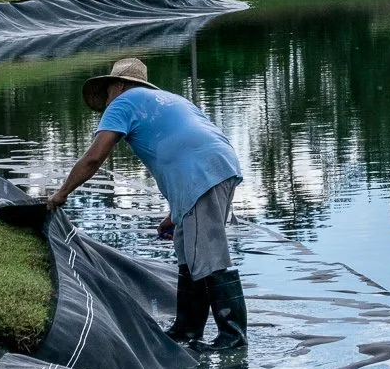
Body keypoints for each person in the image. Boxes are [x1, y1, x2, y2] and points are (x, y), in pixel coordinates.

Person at [46, 56, 247, 350]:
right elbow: (186, 147)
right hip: (217, 168)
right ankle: (187, 329)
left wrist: (61, 193)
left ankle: (233, 337)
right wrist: (176, 214)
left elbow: (94, 157)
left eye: (108, 90)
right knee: (188, 249)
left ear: (119, 85)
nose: (107, 99)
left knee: (208, 254)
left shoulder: (122, 103)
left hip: (203, 173)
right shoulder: (167, 100)